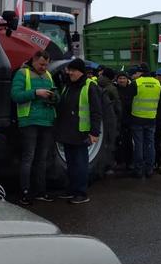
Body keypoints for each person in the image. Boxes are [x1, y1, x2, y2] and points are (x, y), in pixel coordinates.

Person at [10, 50, 57, 205]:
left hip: (46, 121)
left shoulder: (48, 76)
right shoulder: (22, 74)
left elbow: (55, 94)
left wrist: (55, 97)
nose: (44, 67)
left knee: (41, 159)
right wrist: (36, 92)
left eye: (46, 64)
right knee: (28, 158)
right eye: (42, 64)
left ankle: (40, 191)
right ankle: (25, 192)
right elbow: (15, 95)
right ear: (34, 60)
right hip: (29, 121)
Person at [55, 58, 102, 204]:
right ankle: (71, 189)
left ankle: (81, 192)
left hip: (81, 132)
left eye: (73, 70)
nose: (70, 73)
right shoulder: (68, 86)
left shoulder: (90, 87)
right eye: (69, 70)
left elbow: (96, 112)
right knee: (71, 163)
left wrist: (94, 133)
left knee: (80, 164)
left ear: (80, 71)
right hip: (67, 131)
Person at [129, 63, 161, 178]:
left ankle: (138, 170)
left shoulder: (136, 83)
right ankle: (149, 169)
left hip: (137, 118)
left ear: (139, 72)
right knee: (150, 144)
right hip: (151, 118)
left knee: (138, 144)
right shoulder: (157, 83)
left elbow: (128, 101)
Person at [115, 71, 134, 170]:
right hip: (117, 120)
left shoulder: (131, 89)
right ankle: (119, 161)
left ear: (127, 79)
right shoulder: (114, 90)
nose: (122, 80)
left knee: (128, 141)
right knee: (118, 142)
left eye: (123, 78)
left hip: (129, 120)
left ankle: (129, 162)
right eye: (120, 78)